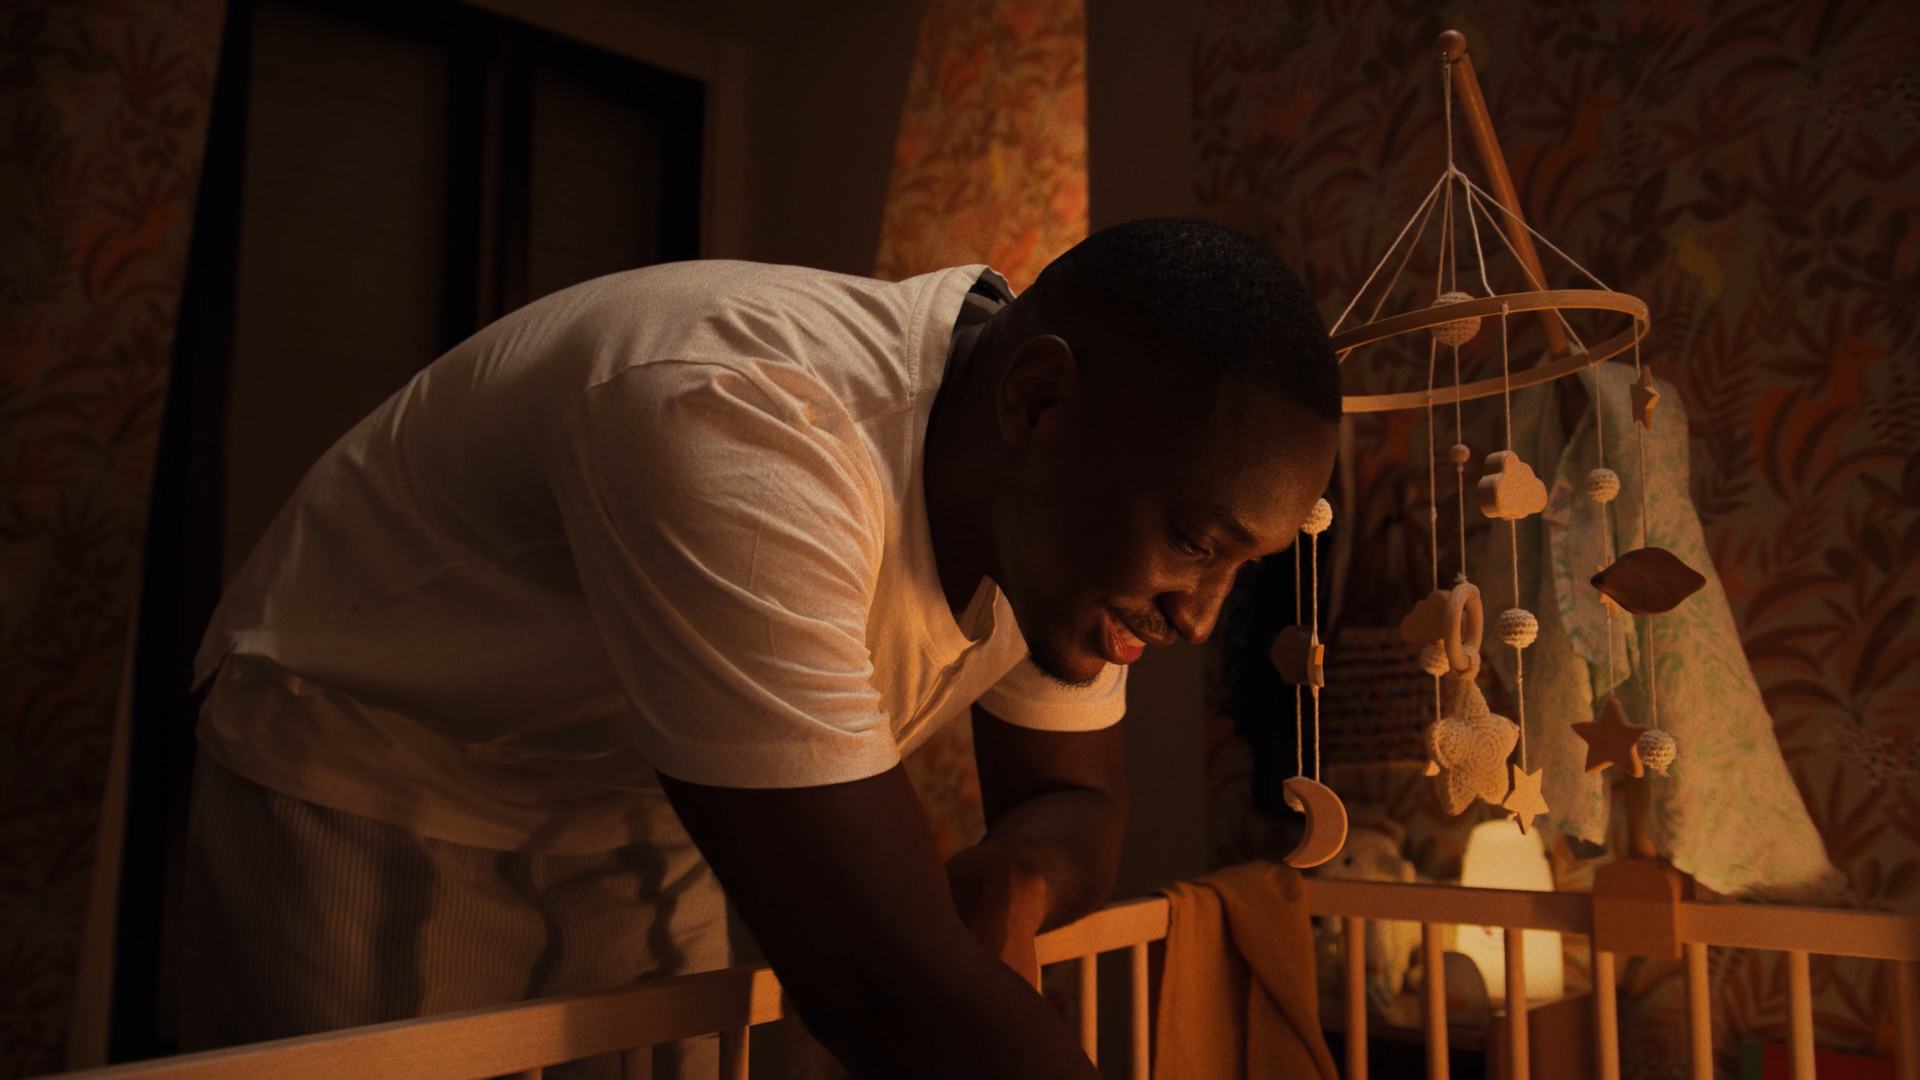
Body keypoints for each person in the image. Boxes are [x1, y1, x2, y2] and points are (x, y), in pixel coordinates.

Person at [180, 217, 1342, 1078]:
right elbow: (876, 983)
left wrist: (1014, 878)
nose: (1199, 616)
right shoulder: (741, 421)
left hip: (636, 799)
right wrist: (932, 954)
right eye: (1194, 543)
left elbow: (1072, 803)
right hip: (377, 763)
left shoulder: (1058, 519)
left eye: (1240, 566)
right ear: (1038, 401)